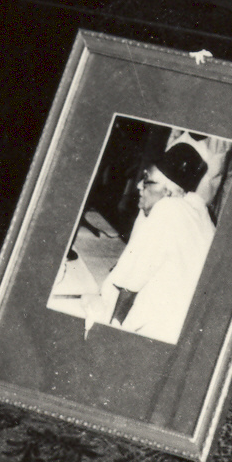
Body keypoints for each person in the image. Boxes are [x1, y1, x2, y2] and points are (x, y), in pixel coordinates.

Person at [88, 142, 214, 344]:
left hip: (159, 331)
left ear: (169, 193)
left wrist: (111, 333)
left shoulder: (168, 209)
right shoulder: (197, 209)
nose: (139, 185)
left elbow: (130, 287)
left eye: (147, 180)